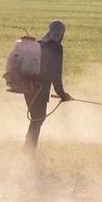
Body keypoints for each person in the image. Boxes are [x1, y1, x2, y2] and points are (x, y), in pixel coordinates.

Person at [23, 19, 73, 156]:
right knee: (37, 120)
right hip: (40, 90)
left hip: (28, 88)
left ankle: (27, 149)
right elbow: (55, 74)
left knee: (36, 119)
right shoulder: (56, 48)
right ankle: (28, 152)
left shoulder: (39, 44)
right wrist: (62, 94)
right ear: (61, 33)